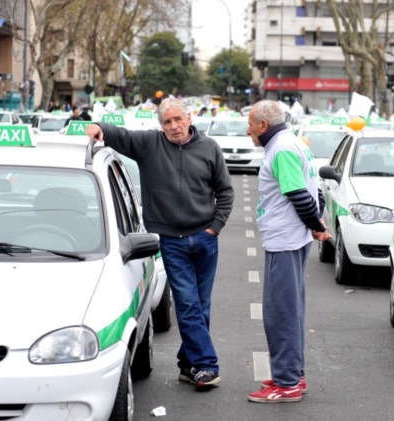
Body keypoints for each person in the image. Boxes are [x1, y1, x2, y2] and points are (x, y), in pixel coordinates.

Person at [86, 97, 234, 391]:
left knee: (200, 307)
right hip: (171, 242)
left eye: (178, 119)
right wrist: (98, 127)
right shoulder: (150, 145)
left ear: (189, 118)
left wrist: (214, 228)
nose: (173, 126)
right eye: (167, 122)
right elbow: (121, 135)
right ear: (160, 125)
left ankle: (187, 365)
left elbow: (225, 192)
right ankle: (206, 365)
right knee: (188, 304)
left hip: (205, 240)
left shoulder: (209, 148)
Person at [245, 100, 331, 404]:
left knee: (280, 314)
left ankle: (287, 383)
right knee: (290, 311)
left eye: (251, 125)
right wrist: (315, 222)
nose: (248, 131)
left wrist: (316, 225)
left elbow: (299, 195)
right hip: (292, 239)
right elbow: (315, 190)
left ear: (263, 126)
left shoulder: (280, 149)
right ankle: (292, 374)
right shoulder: (294, 143)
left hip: (284, 241)